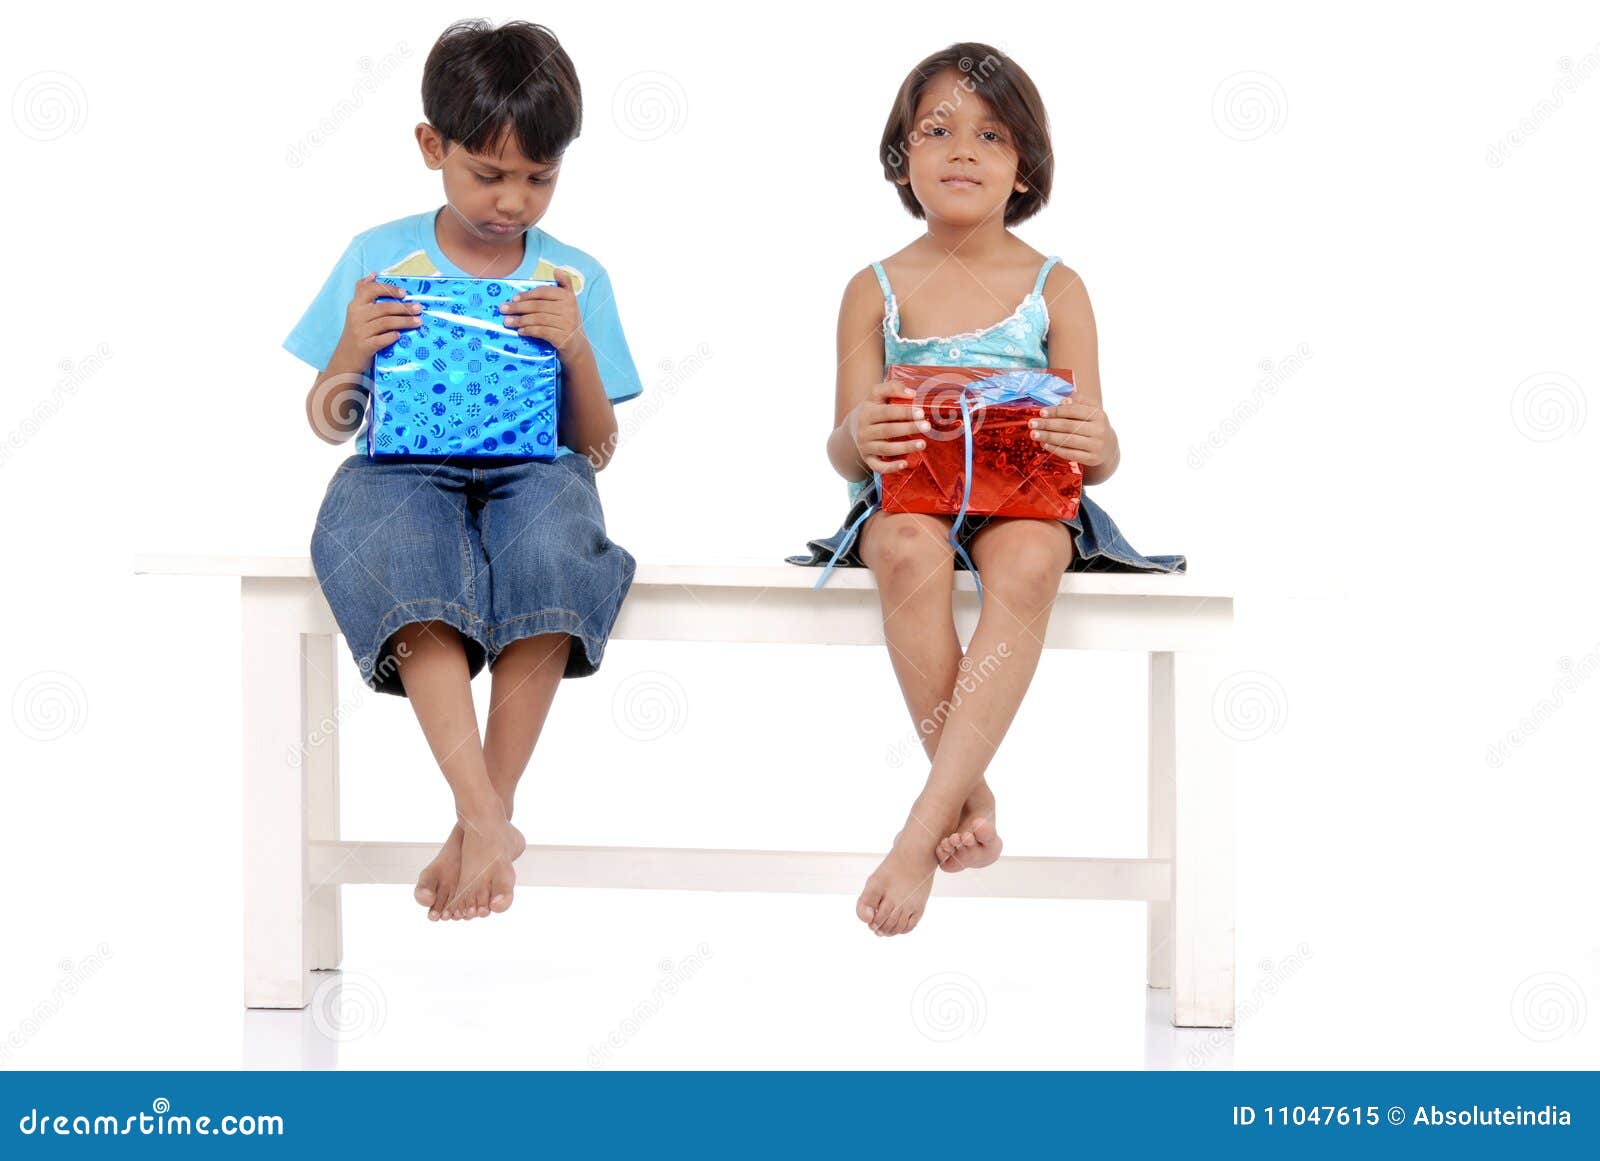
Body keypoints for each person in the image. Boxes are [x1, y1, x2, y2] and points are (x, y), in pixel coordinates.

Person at [787, 42, 1187, 936]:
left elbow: (1092, 445)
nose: (962, 149)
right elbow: (846, 449)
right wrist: (861, 432)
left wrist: (1103, 442)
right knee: (899, 543)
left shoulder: (1057, 286)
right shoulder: (874, 288)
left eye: (991, 134)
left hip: (1027, 500)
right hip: (913, 498)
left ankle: (920, 827)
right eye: (937, 130)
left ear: (1023, 169)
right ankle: (969, 800)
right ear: (901, 159)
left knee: (1035, 555)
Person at [283, 20, 644, 923]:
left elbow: (594, 448)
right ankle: (483, 813)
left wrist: (576, 352)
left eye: (540, 178)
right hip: (402, 468)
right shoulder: (379, 257)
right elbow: (329, 422)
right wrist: (351, 353)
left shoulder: (575, 275)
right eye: (490, 174)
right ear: (431, 146)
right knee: (392, 548)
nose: (514, 202)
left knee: (557, 550)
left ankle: (487, 815)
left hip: (535, 468)